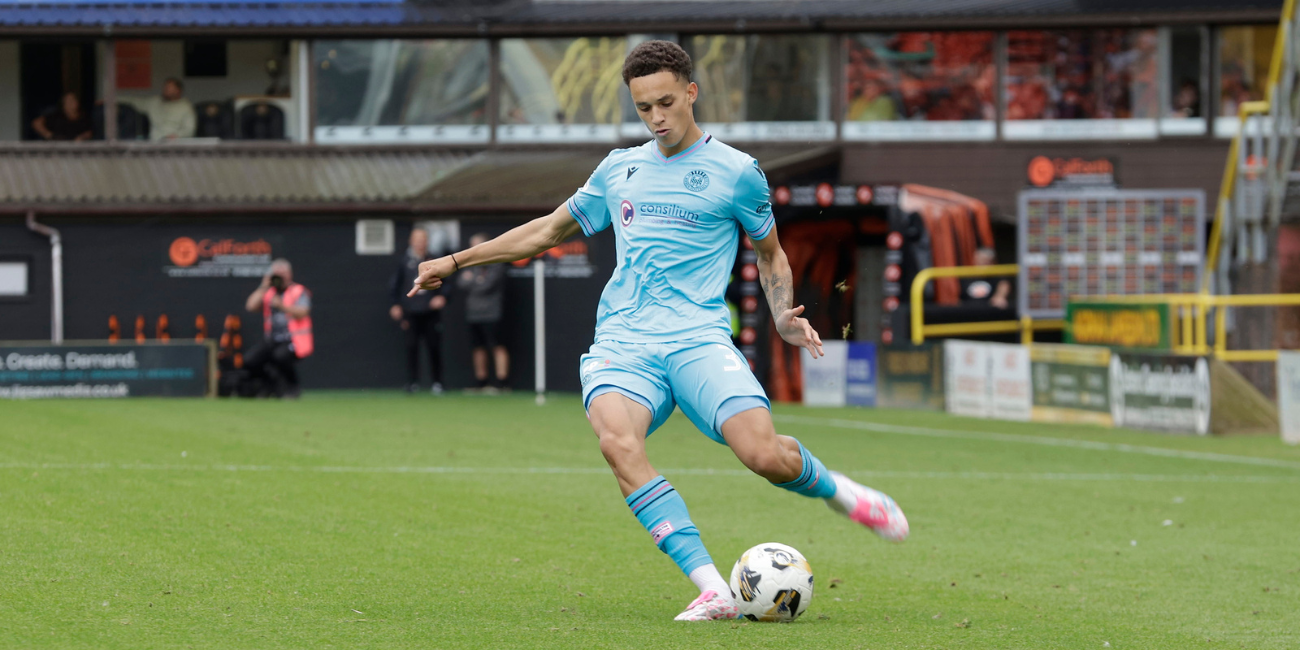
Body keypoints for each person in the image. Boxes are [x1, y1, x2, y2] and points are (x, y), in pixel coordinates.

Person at [410, 40, 908, 621]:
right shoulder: (618, 169)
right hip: (624, 342)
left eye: (666, 102)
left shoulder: (737, 173)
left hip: (698, 339)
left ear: (691, 92)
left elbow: (771, 255)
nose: (656, 117)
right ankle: (711, 586)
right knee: (618, 444)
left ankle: (845, 495)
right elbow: (546, 232)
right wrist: (454, 261)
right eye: (644, 107)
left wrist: (780, 315)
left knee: (763, 455)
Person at [244, 258, 313, 398]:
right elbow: (250, 306)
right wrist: (264, 286)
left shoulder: (298, 291)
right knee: (250, 360)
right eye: (277, 274)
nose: (280, 277)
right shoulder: (268, 292)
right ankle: (268, 386)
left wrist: (282, 306)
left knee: (281, 356)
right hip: (272, 339)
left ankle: (292, 389)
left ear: (290, 274)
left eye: (283, 273)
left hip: (294, 340)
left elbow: (304, 312)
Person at [389, 228, 447, 394]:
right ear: (411, 241)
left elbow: (447, 283)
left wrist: (442, 297)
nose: (420, 243)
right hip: (411, 313)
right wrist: (395, 304)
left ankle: (438, 383)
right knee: (411, 347)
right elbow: (395, 285)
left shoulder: (435, 260)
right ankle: (412, 382)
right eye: (417, 239)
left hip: (430, 313)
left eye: (423, 239)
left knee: (434, 346)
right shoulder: (404, 261)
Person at [456, 233, 509, 392]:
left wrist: (473, 280)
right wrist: (477, 281)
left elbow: (487, 285)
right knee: (478, 347)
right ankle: (481, 381)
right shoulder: (470, 265)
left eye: (478, 245)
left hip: (493, 313)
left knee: (497, 345)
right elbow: (461, 283)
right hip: (474, 314)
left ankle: (501, 382)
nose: (474, 249)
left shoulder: (496, 263)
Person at [123, 77, 196, 141]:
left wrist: (175, 136)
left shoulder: (186, 106)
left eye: (169, 88)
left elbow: (189, 130)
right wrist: (113, 99)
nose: (165, 90)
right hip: (154, 145)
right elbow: (134, 101)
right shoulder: (154, 102)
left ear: (178, 90)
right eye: (165, 87)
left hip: (175, 147)